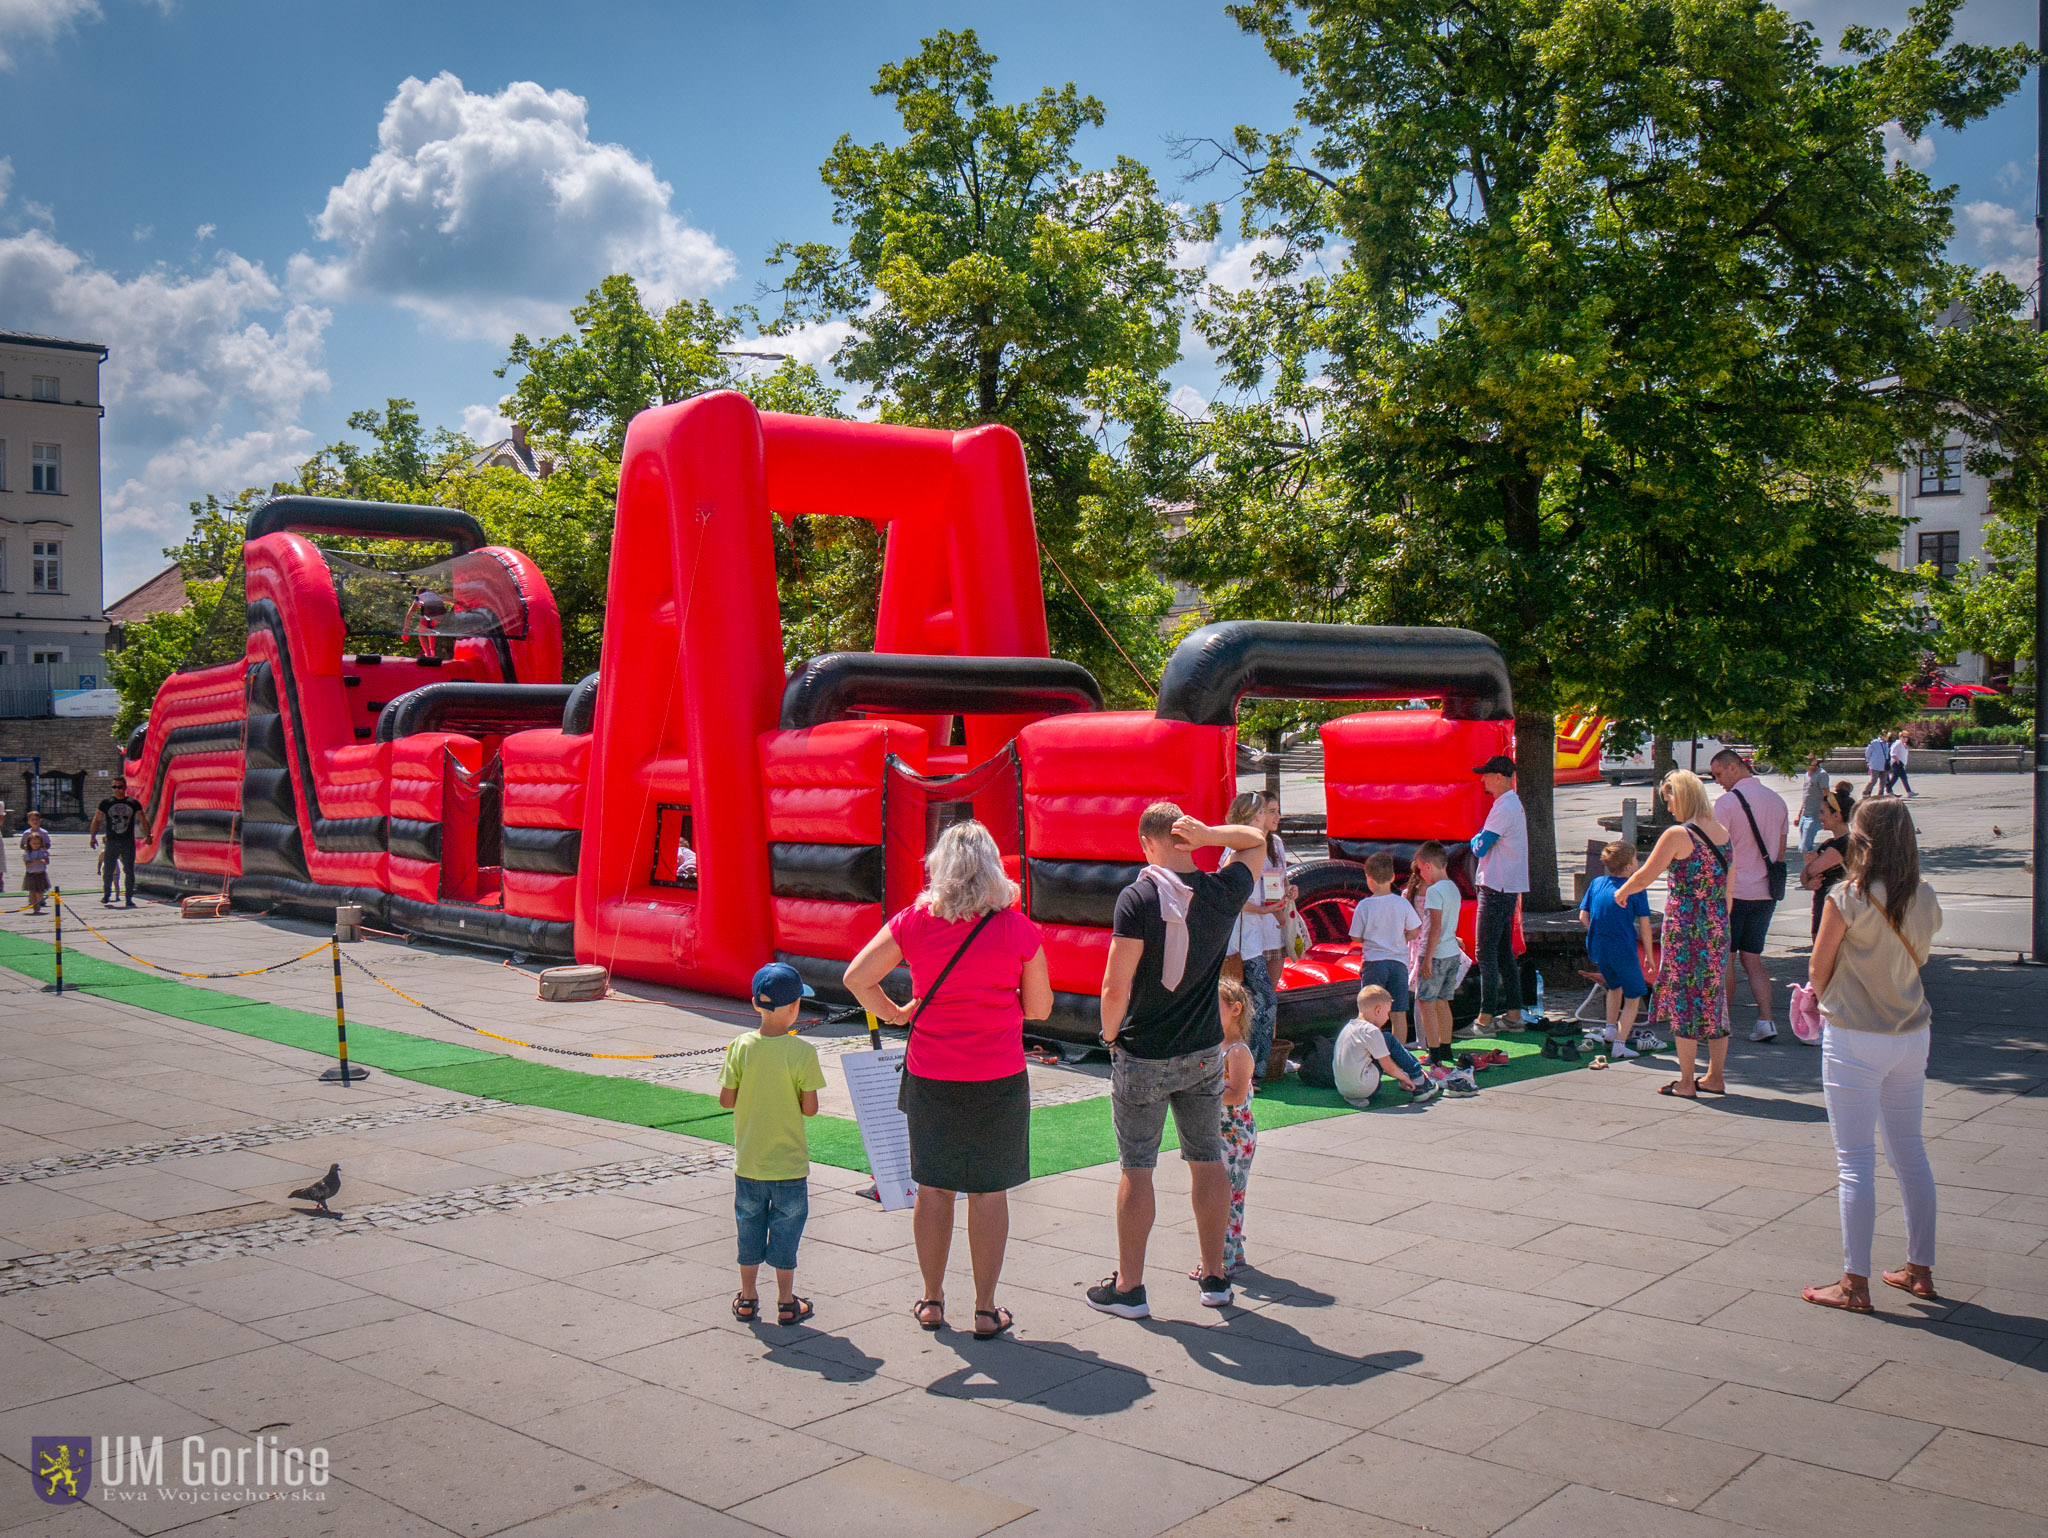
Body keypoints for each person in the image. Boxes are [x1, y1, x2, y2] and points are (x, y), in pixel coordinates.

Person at [843, 820, 1050, 1339]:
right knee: (989, 1190)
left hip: (931, 1072)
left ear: (941, 867)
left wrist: (893, 1013)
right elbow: (1041, 1007)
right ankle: (985, 1309)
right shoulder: (1019, 929)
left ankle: (932, 1300)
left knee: (932, 1188)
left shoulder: (914, 922)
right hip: (997, 1073)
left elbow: (855, 978)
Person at [1090, 803, 1265, 1319]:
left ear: (1149, 843)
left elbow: (1113, 984)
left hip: (1144, 1051)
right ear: (1186, 838)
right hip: (1204, 1048)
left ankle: (1131, 1287)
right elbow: (1255, 839)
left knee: (1137, 1167)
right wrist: (1213, 834)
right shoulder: (1220, 890)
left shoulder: (1138, 896)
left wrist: (1109, 1033)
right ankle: (1215, 1278)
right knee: (1207, 1159)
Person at [1801, 798, 1944, 1313]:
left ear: (1862, 841)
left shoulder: (1848, 896)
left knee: (1855, 1162)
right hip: (1912, 1032)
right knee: (1911, 1151)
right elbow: (1921, 954)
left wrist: (1818, 997)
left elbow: (1819, 967)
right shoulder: (1924, 896)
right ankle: (1919, 1269)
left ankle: (1854, 1284)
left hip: (1856, 1035)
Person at [718, 963, 827, 1327]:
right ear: (796, 1006)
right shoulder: (802, 1053)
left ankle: (748, 1298)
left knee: (747, 1227)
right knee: (786, 1234)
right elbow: (810, 1109)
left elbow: (726, 1100)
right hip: (790, 1165)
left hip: (749, 1163)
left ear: (754, 1004)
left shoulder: (739, 1047)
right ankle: (785, 1301)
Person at [1612, 770, 1731, 1098]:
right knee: (1713, 998)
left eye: (1670, 799)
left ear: (1683, 796)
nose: (1669, 807)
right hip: (1717, 925)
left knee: (1684, 1001)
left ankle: (1686, 1081)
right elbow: (1728, 890)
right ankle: (1715, 1077)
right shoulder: (1722, 832)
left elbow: (1645, 874)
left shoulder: (1679, 834)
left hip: (1686, 927)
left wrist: (1621, 893)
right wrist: (1718, 924)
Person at [1711, 748, 1788, 1044]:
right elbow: (1779, 852)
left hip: (1733, 892)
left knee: (1727, 958)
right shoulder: (1777, 800)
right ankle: (1765, 1020)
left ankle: (1722, 1024)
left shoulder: (1727, 803)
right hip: (1765, 892)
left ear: (1734, 768)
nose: (1717, 781)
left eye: (1718, 774)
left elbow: (1718, 851)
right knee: (1753, 959)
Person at [1220, 790, 1292, 1078]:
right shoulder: (1235, 851)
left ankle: (1254, 1067)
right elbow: (1228, 895)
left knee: (1258, 1002)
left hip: (1255, 940)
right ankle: (1252, 1069)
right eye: (1264, 812)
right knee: (1259, 1001)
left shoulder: (1266, 845)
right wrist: (1262, 910)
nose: (1269, 817)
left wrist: (1276, 905)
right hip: (1244, 941)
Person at [1468, 754, 1529, 1033]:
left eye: (1486, 774)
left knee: (1486, 952)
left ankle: (1485, 1017)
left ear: (1500, 778)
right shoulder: (1510, 804)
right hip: (1506, 887)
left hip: (1495, 886)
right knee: (1503, 952)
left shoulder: (1503, 807)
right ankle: (1514, 1015)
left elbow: (1480, 846)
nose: (1482, 778)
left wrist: (1474, 840)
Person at [1579, 841, 1654, 1059]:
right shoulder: (1636, 888)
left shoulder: (1597, 883)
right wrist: (1649, 954)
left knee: (1614, 987)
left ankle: (1611, 1031)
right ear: (1630, 866)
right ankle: (1620, 1045)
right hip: (1623, 948)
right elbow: (1645, 926)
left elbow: (1583, 916)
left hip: (1599, 946)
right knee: (1633, 997)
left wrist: (1600, 930)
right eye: (1636, 860)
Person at [1205, 977, 1258, 1278]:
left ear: (1236, 1009)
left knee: (1227, 1194)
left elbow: (1236, 1094)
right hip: (1220, 1131)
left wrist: (1203, 1094)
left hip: (1235, 1134)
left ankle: (1223, 1257)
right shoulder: (1217, 1045)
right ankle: (1232, 1248)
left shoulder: (1237, 1052)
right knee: (1219, 1191)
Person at [1348, 852, 1420, 1048]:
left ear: (1369, 880)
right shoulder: (1401, 902)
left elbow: (1355, 936)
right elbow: (1414, 930)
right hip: (1398, 963)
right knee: (1398, 1013)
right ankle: (1399, 1052)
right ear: (1393, 877)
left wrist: (1369, 938)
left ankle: (1373, 1051)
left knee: (1371, 1011)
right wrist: (1401, 937)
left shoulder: (1365, 905)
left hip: (1374, 962)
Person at [1334, 984, 1447, 1108]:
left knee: (1370, 1053)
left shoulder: (1347, 1028)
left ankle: (1353, 1096)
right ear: (1378, 1010)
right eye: (1387, 1012)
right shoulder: (1371, 1030)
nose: (1387, 1018)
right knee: (1387, 1038)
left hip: (1342, 1088)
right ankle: (1419, 1079)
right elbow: (1387, 1066)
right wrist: (1405, 1078)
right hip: (1365, 1086)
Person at [1411, 841, 1463, 1062]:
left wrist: (1427, 960)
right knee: (1443, 1002)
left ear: (1428, 865)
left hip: (1436, 953)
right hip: (1452, 952)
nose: (1421, 874)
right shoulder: (1453, 887)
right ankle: (1445, 1047)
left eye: (1421, 869)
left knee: (1426, 1003)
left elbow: (1434, 927)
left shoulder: (1434, 891)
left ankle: (1433, 1052)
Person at [1799, 784, 1855, 937]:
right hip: (1827, 907)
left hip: (1835, 910)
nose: (1820, 817)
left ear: (1837, 815)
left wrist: (1807, 878)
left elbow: (1810, 870)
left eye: (1823, 812)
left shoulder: (1843, 844)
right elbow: (1805, 875)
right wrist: (1806, 881)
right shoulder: (1829, 844)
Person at [90, 776, 143, 907]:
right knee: (108, 870)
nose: (116, 790)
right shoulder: (106, 803)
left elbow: (143, 818)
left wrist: (148, 835)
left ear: (125, 788)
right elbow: (97, 819)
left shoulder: (133, 803)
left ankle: (129, 897)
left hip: (127, 841)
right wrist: (93, 836)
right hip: (112, 841)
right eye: (114, 787)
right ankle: (106, 894)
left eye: (119, 787)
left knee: (129, 870)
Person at [20, 811, 52, 915]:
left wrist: (43, 851)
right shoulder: (26, 833)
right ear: (29, 821)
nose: (35, 822)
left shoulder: (44, 833)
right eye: (32, 820)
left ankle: (39, 903)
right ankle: (33, 904)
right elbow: (22, 845)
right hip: (31, 871)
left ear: (40, 821)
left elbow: (47, 844)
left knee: (39, 889)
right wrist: (28, 850)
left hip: (40, 871)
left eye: (37, 820)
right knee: (32, 890)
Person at [1797, 756, 1830, 853]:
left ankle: (1816, 866)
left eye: (1809, 759)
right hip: (1805, 814)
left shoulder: (1821, 774)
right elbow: (1806, 796)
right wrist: (1799, 815)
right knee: (1803, 847)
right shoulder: (1807, 774)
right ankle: (1810, 866)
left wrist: (1826, 814)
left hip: (1814, 816)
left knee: (1805, 847)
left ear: (1816, 760)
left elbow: (1826, 795)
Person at [1887, 732, 1916, 799]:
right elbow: (1892, 753)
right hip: (1897, 763)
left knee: (1894, 778)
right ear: (1900, 737)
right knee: (1904, 777)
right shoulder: (1898, 744)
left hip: (1901, 763)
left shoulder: (1904, 744)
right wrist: (1897, 761)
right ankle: (1909, 792)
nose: (1906, 738)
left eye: (1907, 737)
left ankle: (1888, 790)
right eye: (1904, 736)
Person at [1862, 733, 1890, 799]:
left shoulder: (1886, 744)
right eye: (1885, 735)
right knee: (1873, 780)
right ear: (1881, 736)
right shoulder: (1875, 742)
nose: (1887, 737)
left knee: (1883, 781)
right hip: (1875, 765)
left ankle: (1880, 795)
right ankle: (1865, 792)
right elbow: (1868, 752)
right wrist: (1868, 761)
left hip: (1884, 765)